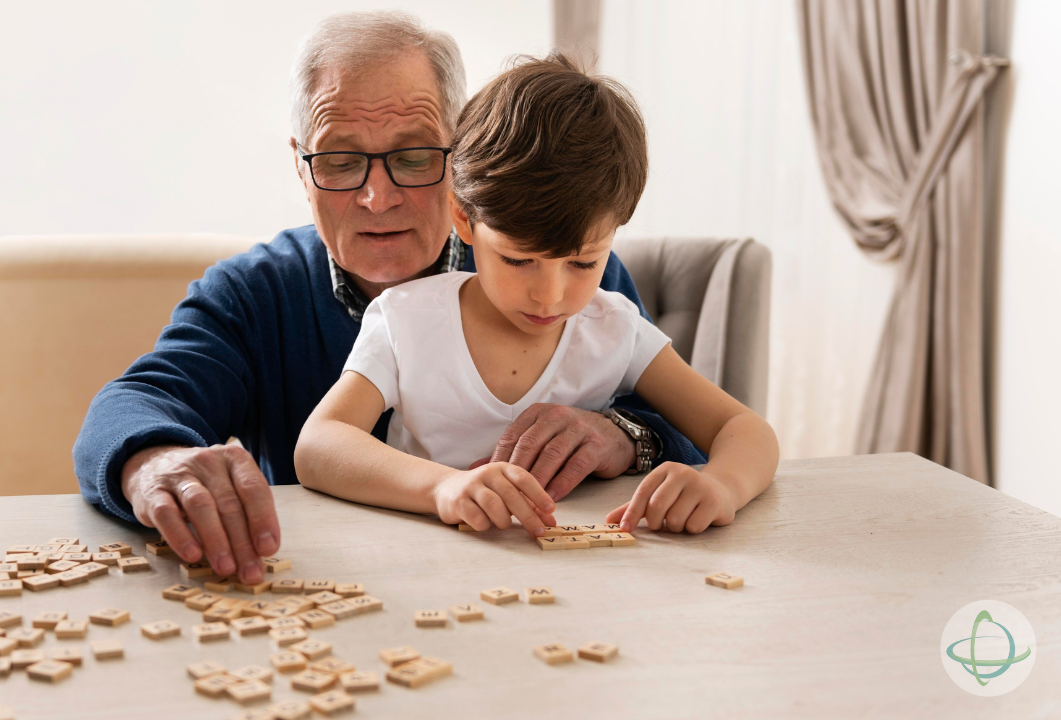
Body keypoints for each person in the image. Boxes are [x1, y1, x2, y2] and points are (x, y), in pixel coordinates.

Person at [72, 12, 707, 586]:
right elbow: (133, 404)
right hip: (324, 605)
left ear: (461, 157)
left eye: (411, 155)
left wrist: (625, 436)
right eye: (342, 162)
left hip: (547, 601)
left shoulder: (568, 275)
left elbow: (699, 434)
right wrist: (154, 462)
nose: (378, 197)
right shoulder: (253, 293)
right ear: (301, 167)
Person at [294, 54, 778, 537]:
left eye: (585, 263)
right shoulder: (406, 321)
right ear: (462, 217)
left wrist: (720, 485)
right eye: (518, 260)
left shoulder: (614, 327)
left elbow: (745, 429)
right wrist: (443, 488)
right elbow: (320, 444)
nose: (550, 296)